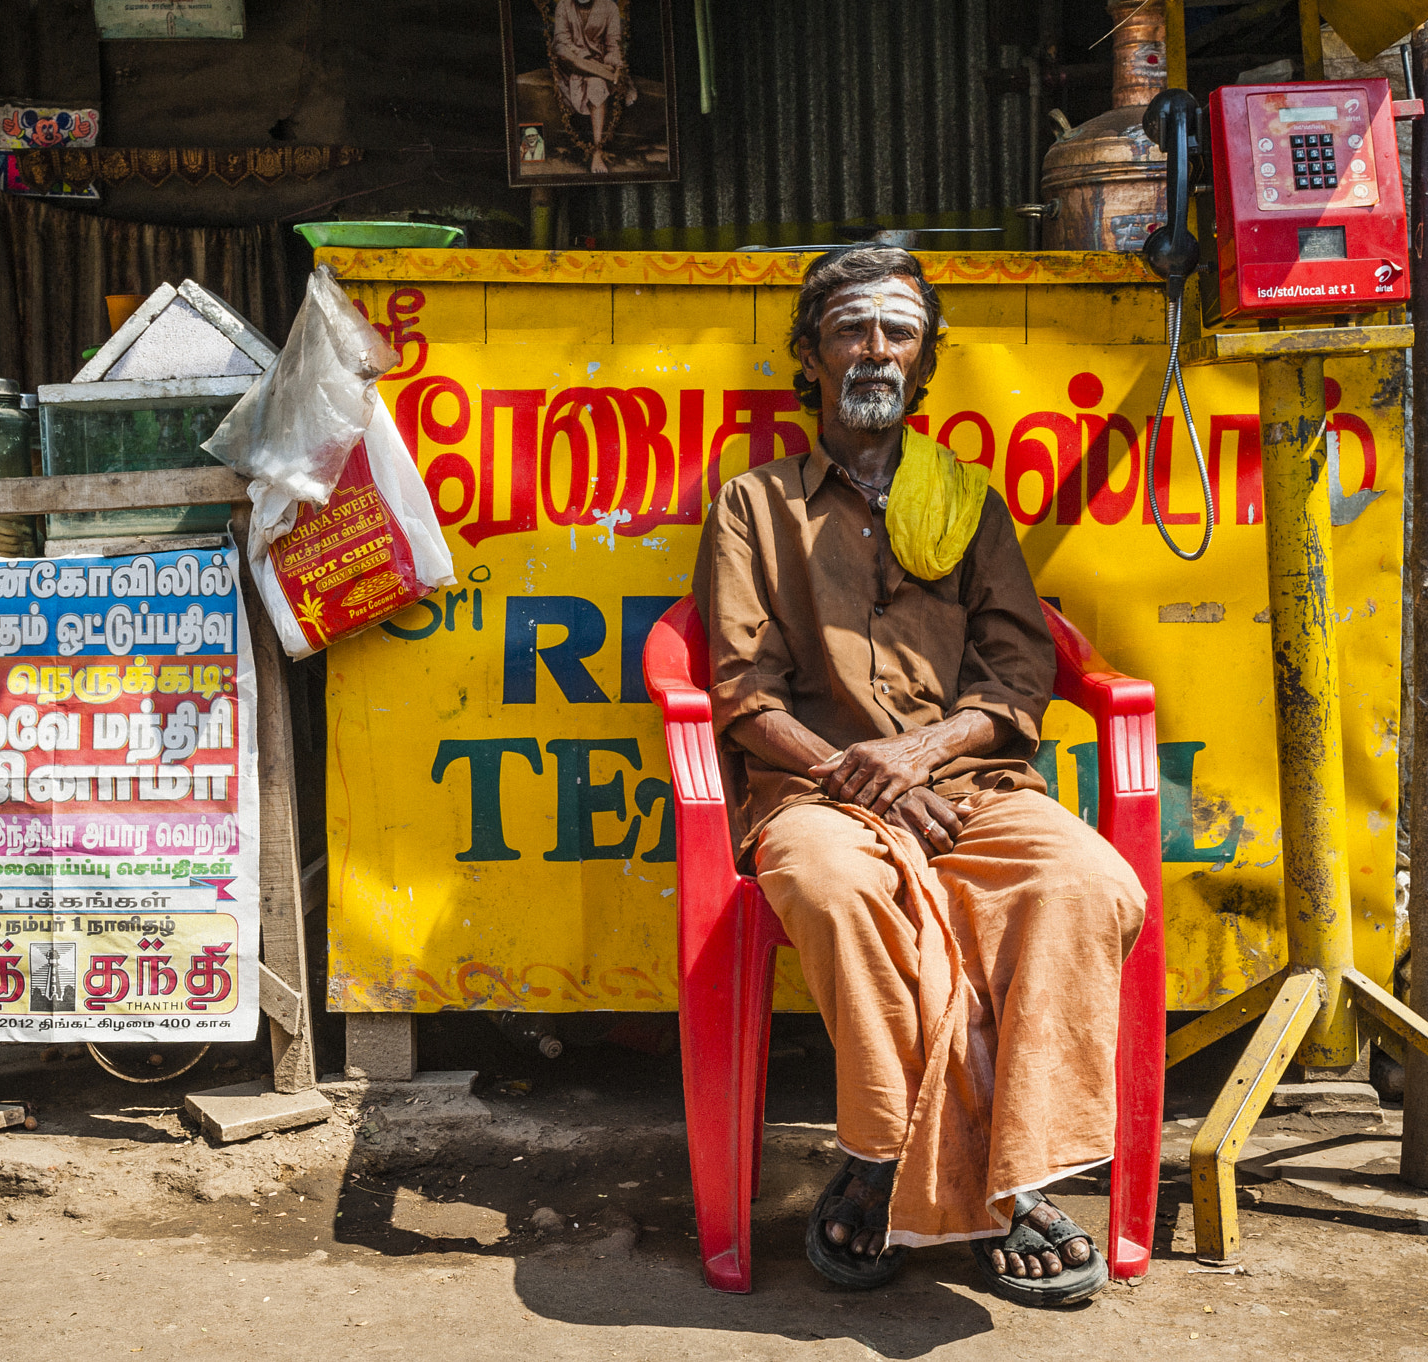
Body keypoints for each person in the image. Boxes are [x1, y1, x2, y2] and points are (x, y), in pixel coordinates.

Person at [691, 246, 1146, 1307]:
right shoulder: (752, 508)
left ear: (924, 367)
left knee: (1087, 884)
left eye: (898, 333)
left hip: (971, 791)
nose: (874, 351)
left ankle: (1004, 1171)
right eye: (850, 329)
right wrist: (865, 778)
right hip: (815, 798)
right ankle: (890, 1151)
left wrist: (919, 753)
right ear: (808, 357)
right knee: (829, 889)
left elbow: (1018, 666)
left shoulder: (968, 505)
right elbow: (740, 692)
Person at [550, 0, 635, 174]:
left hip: (599, 64)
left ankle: (597, 152)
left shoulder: (609, 7)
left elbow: (613, 46)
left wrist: (616, 64)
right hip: (571, 64)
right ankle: (606, 74)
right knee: (563, 52)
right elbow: (561, 41)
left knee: (597, 85)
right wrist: (583, 58)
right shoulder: (564, 6)